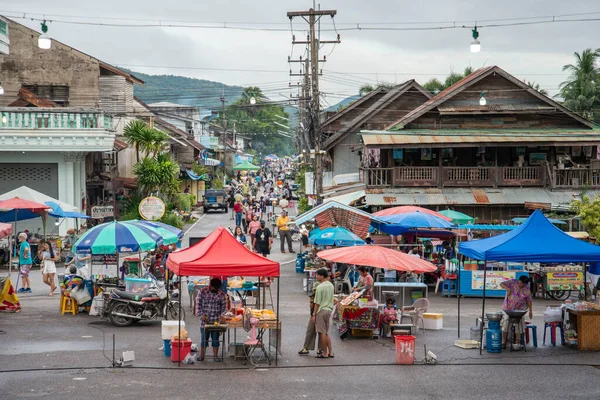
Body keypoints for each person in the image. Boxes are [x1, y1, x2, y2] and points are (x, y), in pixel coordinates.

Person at [196, 278, 227, 362]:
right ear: (210, 286)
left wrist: (222, 315)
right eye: (214, 288)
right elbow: (198, 305)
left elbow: (224, 308)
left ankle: (215, 356)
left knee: (215, 339)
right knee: (204, 339)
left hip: (215, 321)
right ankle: (202, 356)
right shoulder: (203, 292)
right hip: (204, 321)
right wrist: (201, 315)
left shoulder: (221, 295)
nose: (215, 290)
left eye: (217, 289)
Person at [499, 276, 533, 348]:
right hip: (508, 308)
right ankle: (503, 342)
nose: (522, 285)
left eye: (524, 284)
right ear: (519, 281)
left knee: (519, 323)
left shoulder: (526, 288)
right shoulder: (512, 282)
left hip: (519, 309)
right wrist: (508, 289)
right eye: (521, 283)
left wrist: (531, 311)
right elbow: (501, 284)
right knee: (506, 322)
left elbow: (529, 300)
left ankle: (517, 342)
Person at [313, 268, 334, 359]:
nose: (316, 276)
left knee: (322, 333)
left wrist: (314, 314)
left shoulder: (320, 287)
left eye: (317, 275)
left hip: (321, 310)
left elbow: (317, 303)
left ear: (322, 276)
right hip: (329, 310)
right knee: (326, 332)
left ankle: (324, 352)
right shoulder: (331, 285)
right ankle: (331, 352)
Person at [298, 280, 323, 356]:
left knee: (321, 332)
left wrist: (314, 314)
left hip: (319, 313)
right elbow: (312, 305)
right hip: (313, 314)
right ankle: (306, 347)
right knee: (310, 330)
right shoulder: (313, 296)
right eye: (314, 289)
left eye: (316, 289)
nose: (314, 290)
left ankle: (320, 349)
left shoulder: (321, 295)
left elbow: (317, 305)